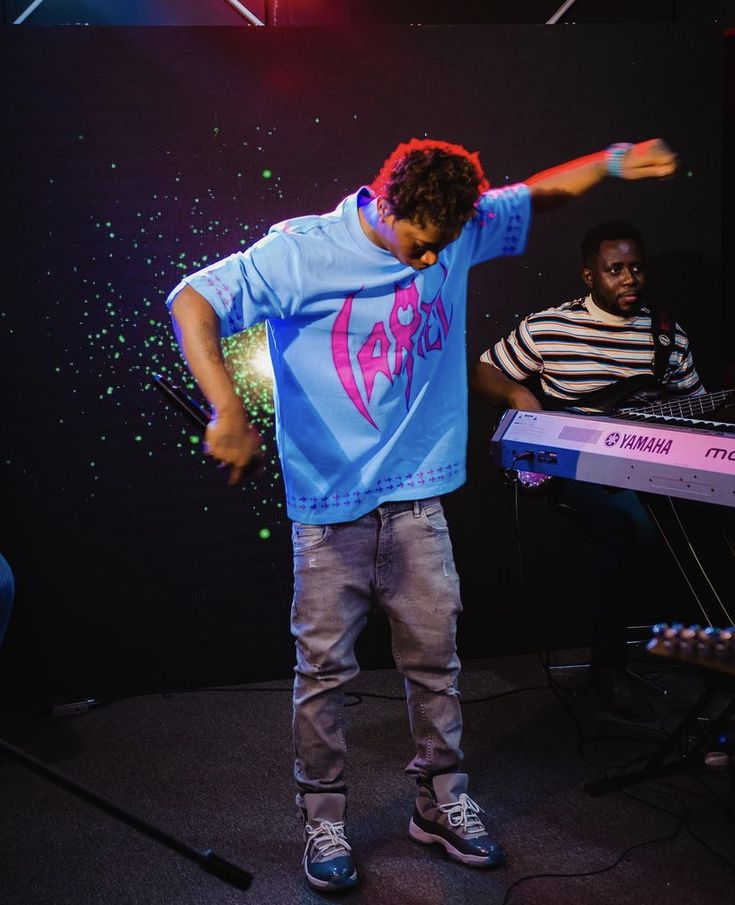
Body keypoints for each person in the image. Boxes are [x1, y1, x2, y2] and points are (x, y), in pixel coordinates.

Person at [167, 140, 677, 891]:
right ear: (387, 207)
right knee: (324, 673)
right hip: (330, 505)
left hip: (417, 497)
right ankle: (323, 815)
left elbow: (540, 195)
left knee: (436, 665)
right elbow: (192, 299)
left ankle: (439, 802)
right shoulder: (301, 252)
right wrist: (226, 406)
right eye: (421, 245)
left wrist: (609, 160)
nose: (431, 261)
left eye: (443, 247)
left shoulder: (459, 224)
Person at [471, 219, 705, 720]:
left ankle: (702, 652)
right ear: (589, 275)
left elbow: (698, 409)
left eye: (636, 267)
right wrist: (518, 393)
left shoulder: (667, 337)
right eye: (615, 269)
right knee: (627, 526)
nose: (629, 278)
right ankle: (608, 668)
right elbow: (486, 369)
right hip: (574, 468)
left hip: (649, 465)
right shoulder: (550, 327)